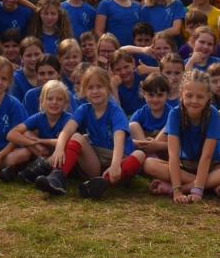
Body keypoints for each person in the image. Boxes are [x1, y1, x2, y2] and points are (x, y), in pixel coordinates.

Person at [35, 65, 146, 198]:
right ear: (84, 91)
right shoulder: (84, 109)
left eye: (99, 87)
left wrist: (115, 165)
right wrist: (59, 149)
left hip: (118, 158)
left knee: (139, 154)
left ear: (108, 88)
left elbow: (119, 140)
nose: (95, 91)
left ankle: (99, 184)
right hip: (95, 159)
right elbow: (67, 130)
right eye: (90, 88)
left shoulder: (116, 111)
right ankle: (58, 178)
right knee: (77, 137)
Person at [144, 68, 220, 202]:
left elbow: (207, 156)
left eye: (200, 97)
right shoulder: (175, 114)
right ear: (181, 94)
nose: (194, 101)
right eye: (189, 96)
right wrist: (176, 190)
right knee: (149, 164)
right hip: (186, 166)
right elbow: (173, 155)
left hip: (212, 165)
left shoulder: (213, 114)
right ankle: (213, 184)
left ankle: (188, 186)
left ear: (208, 97)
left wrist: (196, 190)